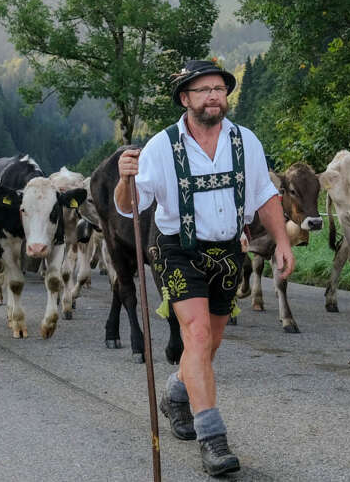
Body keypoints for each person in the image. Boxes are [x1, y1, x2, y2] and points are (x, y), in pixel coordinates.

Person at [114, 59, 294, 477]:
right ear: (185, 98)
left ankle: (177, 391)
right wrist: (126, 178)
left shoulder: (245, 141)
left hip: (230, 250)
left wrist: (282, 241)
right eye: (204, 90)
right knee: (194, 335)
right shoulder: (162, 146)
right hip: (178, 250)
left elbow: (265, 196)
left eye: (219, 89)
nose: (214, 96)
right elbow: (130, 206)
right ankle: (213, 440)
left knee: (208, 346)